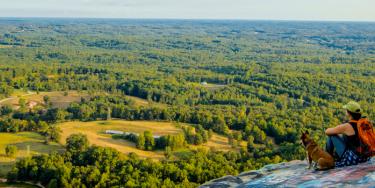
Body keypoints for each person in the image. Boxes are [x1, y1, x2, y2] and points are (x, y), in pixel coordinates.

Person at [325, 101, 370, 167]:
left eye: (346, 110)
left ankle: (327, 159)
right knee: (343, 137)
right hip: (364, 156)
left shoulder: (347, 126)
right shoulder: (363, 123)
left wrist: (338, 129)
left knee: (332, 136)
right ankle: (329, 158)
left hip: (353, 158)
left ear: (349, 113)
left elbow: (327, 131)